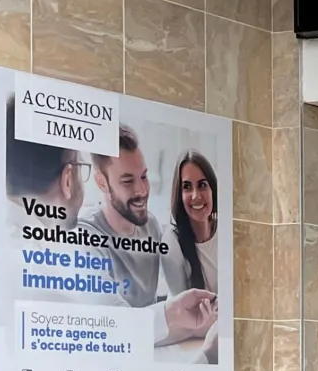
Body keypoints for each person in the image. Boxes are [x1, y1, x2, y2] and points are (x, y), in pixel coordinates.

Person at [75, 124, 216, 349]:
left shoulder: (150, 225)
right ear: (102, 182)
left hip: (151, 352)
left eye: (144, 176)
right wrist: (177, 315)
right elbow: (114, 326)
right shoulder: (84, 236)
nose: (141, 190)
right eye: (128, 181)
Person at [161, 150, 221, 298]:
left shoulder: (226, 232)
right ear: (179, 195)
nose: (196, 196)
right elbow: (184, 313)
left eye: (202, 185)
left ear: (212, 189)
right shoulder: (171, 244)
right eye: (187, 187)